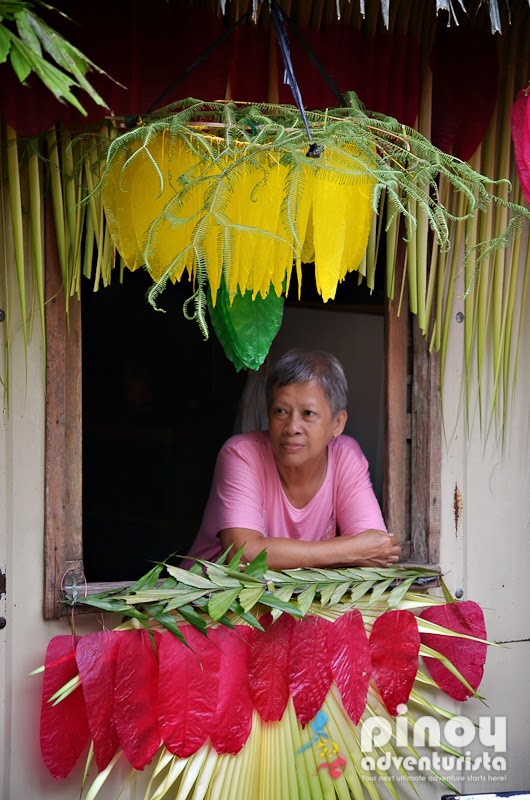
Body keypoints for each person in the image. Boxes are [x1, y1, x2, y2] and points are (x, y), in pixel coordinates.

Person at [187, 349, 400, 569]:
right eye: (280, 411)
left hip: (290, 597)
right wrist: (349, 550)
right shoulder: (241, 454)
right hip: (209, 598)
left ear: (337, 423)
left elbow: (375, 551)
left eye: (308, 413)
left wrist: (358, 550)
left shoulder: (345, 455)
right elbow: (242, 554)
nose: (291, 427)